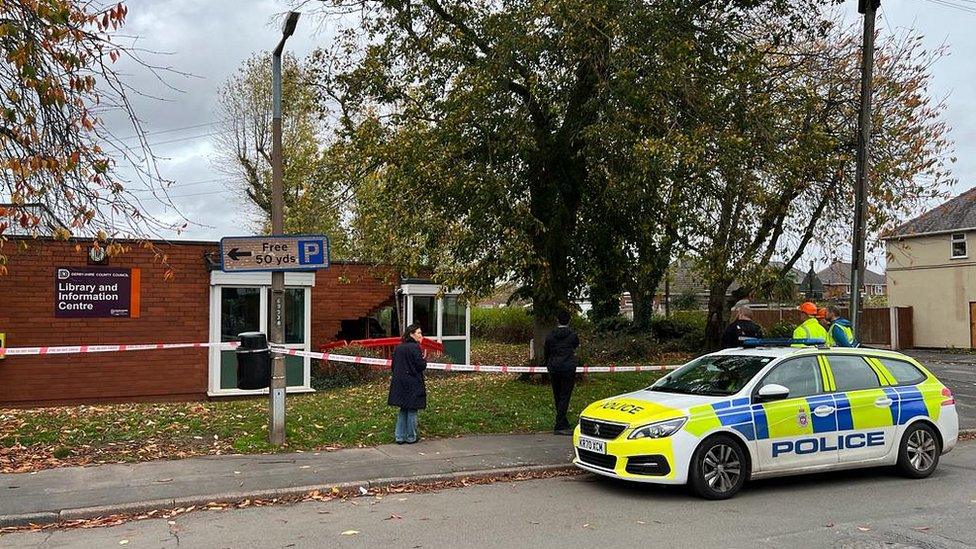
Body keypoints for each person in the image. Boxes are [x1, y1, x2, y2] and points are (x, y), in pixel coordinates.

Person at [387, 323, 427, 444]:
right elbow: (420, 366)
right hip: (412, 382)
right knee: (412, 410)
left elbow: (393, 366)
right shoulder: (415, 348)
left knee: (403, 409)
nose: (421, 335)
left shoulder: (399, 347)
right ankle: (411, 436)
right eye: (419, 333)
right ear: (411, 334)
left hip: (399, 382)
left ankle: (399, 437)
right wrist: (424, 358)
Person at [543, 310, 580, 436]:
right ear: (569, 321)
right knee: (565, 395)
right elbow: (575, 346)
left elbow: (546, 351)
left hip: (554, 367)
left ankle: (562, 422)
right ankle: (560, 424)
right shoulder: (573, 335)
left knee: (557, 395)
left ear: (557, 320)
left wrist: (548, 363)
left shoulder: (550, 335)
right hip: (568, 368)